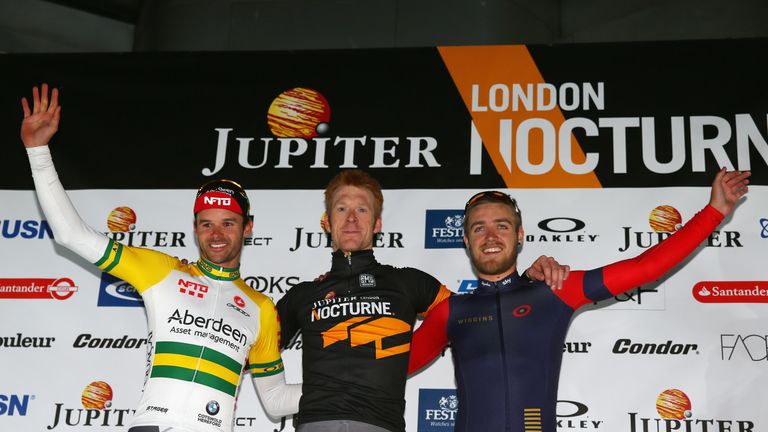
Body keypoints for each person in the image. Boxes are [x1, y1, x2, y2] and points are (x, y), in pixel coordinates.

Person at [20, 84, 301, 432]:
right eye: (206, 224)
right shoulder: (161, 272)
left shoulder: (259, 308)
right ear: (195, 228)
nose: (216, 234)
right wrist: (38, 151)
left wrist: (363, 388)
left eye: (228, 223)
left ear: (248, 228)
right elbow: (71, 235)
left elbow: (276, 402)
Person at [407, 170, 751, 432]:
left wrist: (715, 211)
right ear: (466, 240)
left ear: (520, 235)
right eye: (479, 228)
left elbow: (646, 268)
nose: (492, 236)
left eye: (502, 225)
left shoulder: (555, 288)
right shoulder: (451, 311)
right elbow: (388, 367)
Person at [276, 169, 568, 432]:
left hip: (381, 424)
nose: (352, 218)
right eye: (342, 208)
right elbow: (253, 350)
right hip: (314, 423)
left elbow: (481, 316)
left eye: (361, 209)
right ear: (327, 221)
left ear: (377, 223)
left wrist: (524, 285)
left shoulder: (409, 283)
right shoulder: (303, 294)